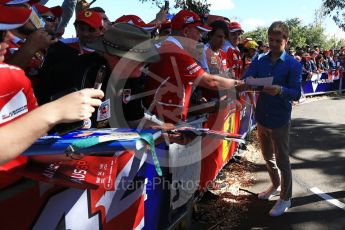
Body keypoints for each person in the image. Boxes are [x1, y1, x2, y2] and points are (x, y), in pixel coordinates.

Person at [0, 2, 103, 186]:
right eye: (1, 32)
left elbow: (31, 144)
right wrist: (52, 112)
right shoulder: (18, 68)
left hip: (19, 186)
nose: (7, 39)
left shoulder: (18, 77)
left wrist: (67, 151)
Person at [242, 21, 302, 217]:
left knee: (283, 161)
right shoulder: (259, 59)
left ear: (286, 41)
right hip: (262, 117)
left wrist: (280, 90)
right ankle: (275, 186)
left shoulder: (293, 64)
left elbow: (296, 93)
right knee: (268, 157)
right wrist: (249, 82)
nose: (274, 44)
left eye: (278, 40)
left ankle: (286, 198)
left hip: (280, 119)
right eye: (271, 40)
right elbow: (247, 77)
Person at [144, 10, 243, 124]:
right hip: (164, 121)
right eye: (198, 32)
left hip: (161, 115)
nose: (200, 38)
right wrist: (244, 84)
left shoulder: (166, 45)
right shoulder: (176, 51)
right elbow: (211, 81)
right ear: (186, 31)